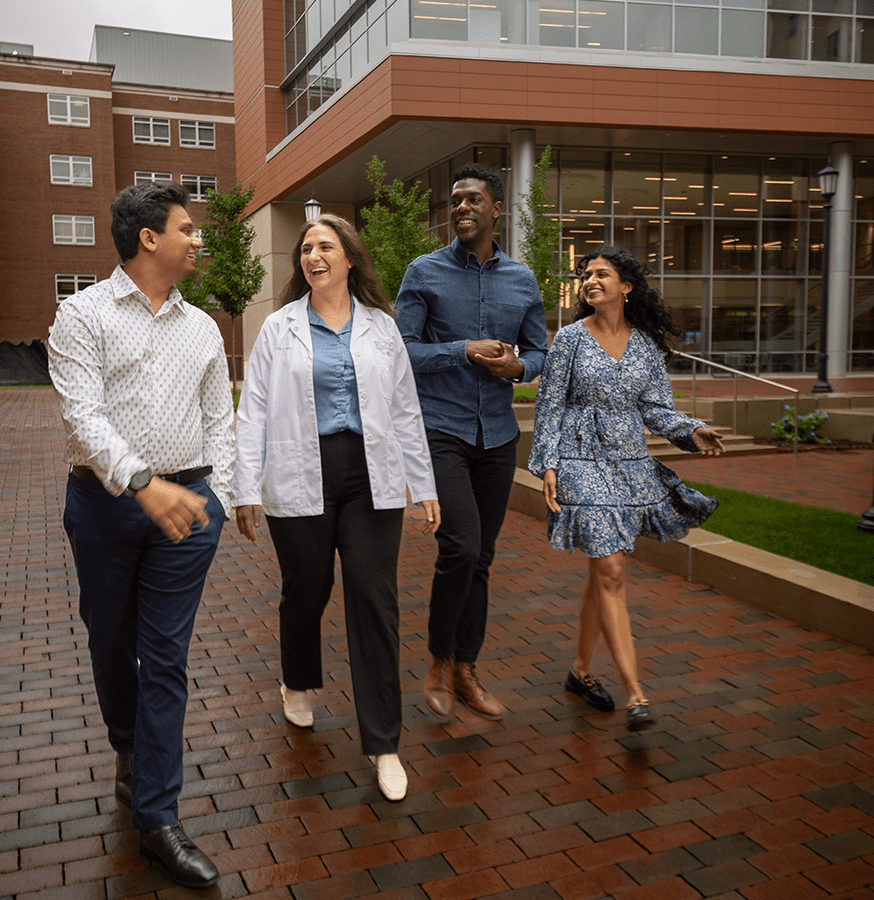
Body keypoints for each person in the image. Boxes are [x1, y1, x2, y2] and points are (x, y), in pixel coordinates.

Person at [48, 182, 234, 889]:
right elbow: (83, 419)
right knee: (110, 640)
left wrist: (214, 493)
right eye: (188, 228)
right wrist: (140, 483)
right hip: (103, 507)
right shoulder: (82, 315)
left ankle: (158, 817)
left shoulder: (204, 328)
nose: (198, 239)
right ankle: (128, 749)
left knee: (164, 657)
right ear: (150, 238)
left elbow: (221, 417)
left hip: (187, 509)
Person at [233, 214, 439, 802]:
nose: (313, 255)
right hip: (301, 470)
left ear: (350, 258)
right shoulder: (279, 328)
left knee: (374, 598)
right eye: (306, 248)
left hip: (370, 473)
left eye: (326, 246)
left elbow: (404, 410)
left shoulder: (382, 328)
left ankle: (384, 743)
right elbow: (253, 412)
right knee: (308, 586)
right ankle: (296, 679)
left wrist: (423, 486)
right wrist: (246, 488)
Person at [528, 245, 725, 732]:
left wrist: (690, 429)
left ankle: (580, 671)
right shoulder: (570, 340)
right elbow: (550, 406)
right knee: (612, 566)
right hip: (578, 460)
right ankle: (636, 695)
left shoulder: (646, 347)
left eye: (601, 274)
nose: (590, 281)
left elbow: (656, 408)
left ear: (626, 287)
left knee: (604, 570)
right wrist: (548, 463)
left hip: (628, 463)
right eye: (585, 275)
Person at [395, 163, 548, 723]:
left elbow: (540, 354)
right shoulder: (424, 272)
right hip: (443, 430)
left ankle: (466, 669)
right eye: (455, 200)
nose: (461, 208)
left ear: (496, 209)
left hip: (498, 436)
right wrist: (461, 350)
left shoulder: (523, 280)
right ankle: (436, 662)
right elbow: (401, 351)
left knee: (481, 557)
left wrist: (517, 365)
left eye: (473, 200)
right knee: (459, 547)